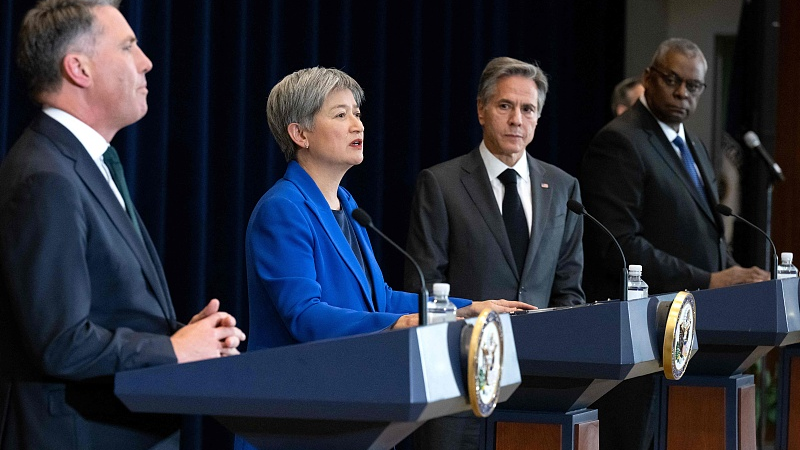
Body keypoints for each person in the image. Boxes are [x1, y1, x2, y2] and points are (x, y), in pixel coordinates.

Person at [0, 1, 246, 449]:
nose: (147, 61)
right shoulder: (45, 177)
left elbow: (103, 312)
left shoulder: (81, 163)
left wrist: (185, 336)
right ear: (79, 68)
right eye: (128, 46)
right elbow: (61, 342)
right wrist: (173, 351)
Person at [579, 38, 769, 450]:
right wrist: (709, 278)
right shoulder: (621, 142)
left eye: (694, 86)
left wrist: (744, 279)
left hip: (687, 337)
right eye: (672, 80)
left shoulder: (693, 144)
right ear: (649, 78)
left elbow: (702, 233)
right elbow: (618, 246)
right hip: (642, 340)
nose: (683, 92)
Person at [404, 56, 585, 450]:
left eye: (528, 109)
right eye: (505, 106)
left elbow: (569, 289)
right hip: (457, 383)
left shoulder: (563, 188)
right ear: (482, 110)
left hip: (538, 387)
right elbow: (424, 285)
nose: (517, 119)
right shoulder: (441, 184)